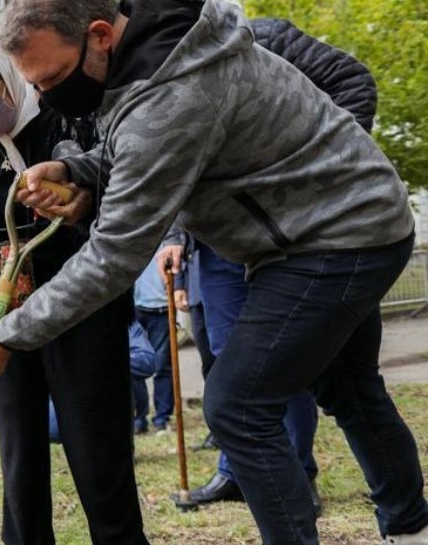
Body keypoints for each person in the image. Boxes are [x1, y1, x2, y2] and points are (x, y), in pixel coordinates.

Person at [0, 0, 425, 543]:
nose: (46, 98)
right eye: (36, 86)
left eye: (56, 77)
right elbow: (129, 150)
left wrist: (9, 336)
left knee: (237, 406)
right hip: (324, 231)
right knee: (348, 386)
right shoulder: (152, 61)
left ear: (100, 36)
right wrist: (74, 168)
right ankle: (411, 527)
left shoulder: (172, 93)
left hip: (340, 237)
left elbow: (113, 255)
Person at [153, 15, 381, 513]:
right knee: (224, 358)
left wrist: (325, 174)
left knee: (279, 361)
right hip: (213, 243)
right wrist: (173, 233)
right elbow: (172, 162)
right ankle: (236, 471)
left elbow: (353, 81)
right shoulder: (157, 70)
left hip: (288, 238)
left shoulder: (262, 36)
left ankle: (296, 475)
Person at [0, 29, 148, 544]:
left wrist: (79, 198)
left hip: (82, 309)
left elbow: (115, 191)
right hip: (6, 321)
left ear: (9, 79)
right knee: (20, 464)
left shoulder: (66, 114)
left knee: (100, 461)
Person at [129, 246, 177, 434]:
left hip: (162, 308)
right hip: (134, 307)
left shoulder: (169, 237)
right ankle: (138, 420)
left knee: (162, 365)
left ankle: (162, 418)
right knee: (135, 363)